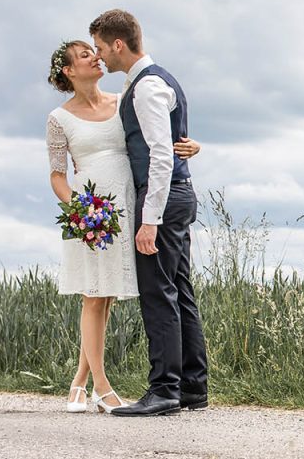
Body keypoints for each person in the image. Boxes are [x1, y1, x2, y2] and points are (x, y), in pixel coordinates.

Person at [45, 39, 200, 414]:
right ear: (69, 71)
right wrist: (82, 213)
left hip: (130, 204)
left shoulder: (123, 100)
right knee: (93, 294)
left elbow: (156, 137)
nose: (96, 58)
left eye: (95, 51)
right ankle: (100, 384)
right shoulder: (58, 118)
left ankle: (79, 382)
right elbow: (57, 176)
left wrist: (192, 147)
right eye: (85, 55)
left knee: (107, 294)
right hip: (91, 211)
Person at [88, 9, 210, 416]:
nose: (100, 56)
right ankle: (192, 387)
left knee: (158, 294)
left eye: (102, 48)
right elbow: (171, 143)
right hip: (177, 194)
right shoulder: (153, 81)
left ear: (118, 44)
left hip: (162, 197)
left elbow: (160, 154)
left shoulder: (147, 87)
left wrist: (149, 220)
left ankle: (164, 391)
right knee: (179, 291)